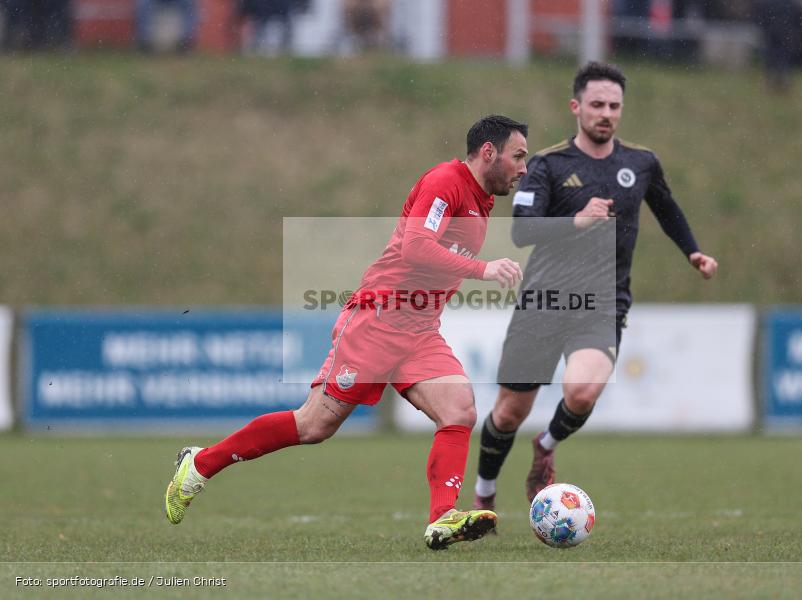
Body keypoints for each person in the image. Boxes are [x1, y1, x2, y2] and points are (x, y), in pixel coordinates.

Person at [165, 115, 529, 550]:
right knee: (313, 425)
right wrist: (482, 269)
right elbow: (416, 247)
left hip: (419, 330)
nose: (523, 166)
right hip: (377, 321)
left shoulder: (479, 200)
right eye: (518, 155)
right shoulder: (444, 182)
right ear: (489, 152)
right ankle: (201, 464)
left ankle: (442, 517)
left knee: (459, 410)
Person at [472, 63, 718, 511]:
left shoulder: (640, 163)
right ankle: (484, 492)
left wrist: (693, 252)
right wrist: (578, 221)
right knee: (510, 412)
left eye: (614, 106)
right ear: (576, 107)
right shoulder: (547, 163)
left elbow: (667, 208)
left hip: (602, 302)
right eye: (597, 104)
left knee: (583, 391)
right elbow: (523, 232)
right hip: (544, 300)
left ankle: (545, 446)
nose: (606, 113)